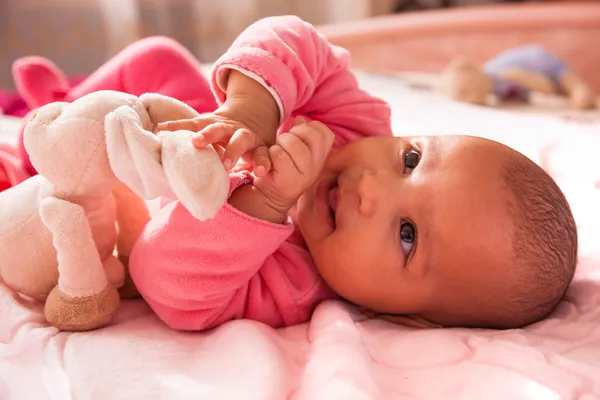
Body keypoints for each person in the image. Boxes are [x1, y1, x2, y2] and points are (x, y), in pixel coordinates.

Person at [128, 15, 578, 331]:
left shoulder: (293, 286)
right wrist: (252, 109)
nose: (371, 189)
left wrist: (263, 205)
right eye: (411, 161)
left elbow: (165, 283)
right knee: (159, 58)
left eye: (407, 234)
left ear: (405, 317)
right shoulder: (352, 130)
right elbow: (296, 38)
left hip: (118, 198)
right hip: (167, 123)